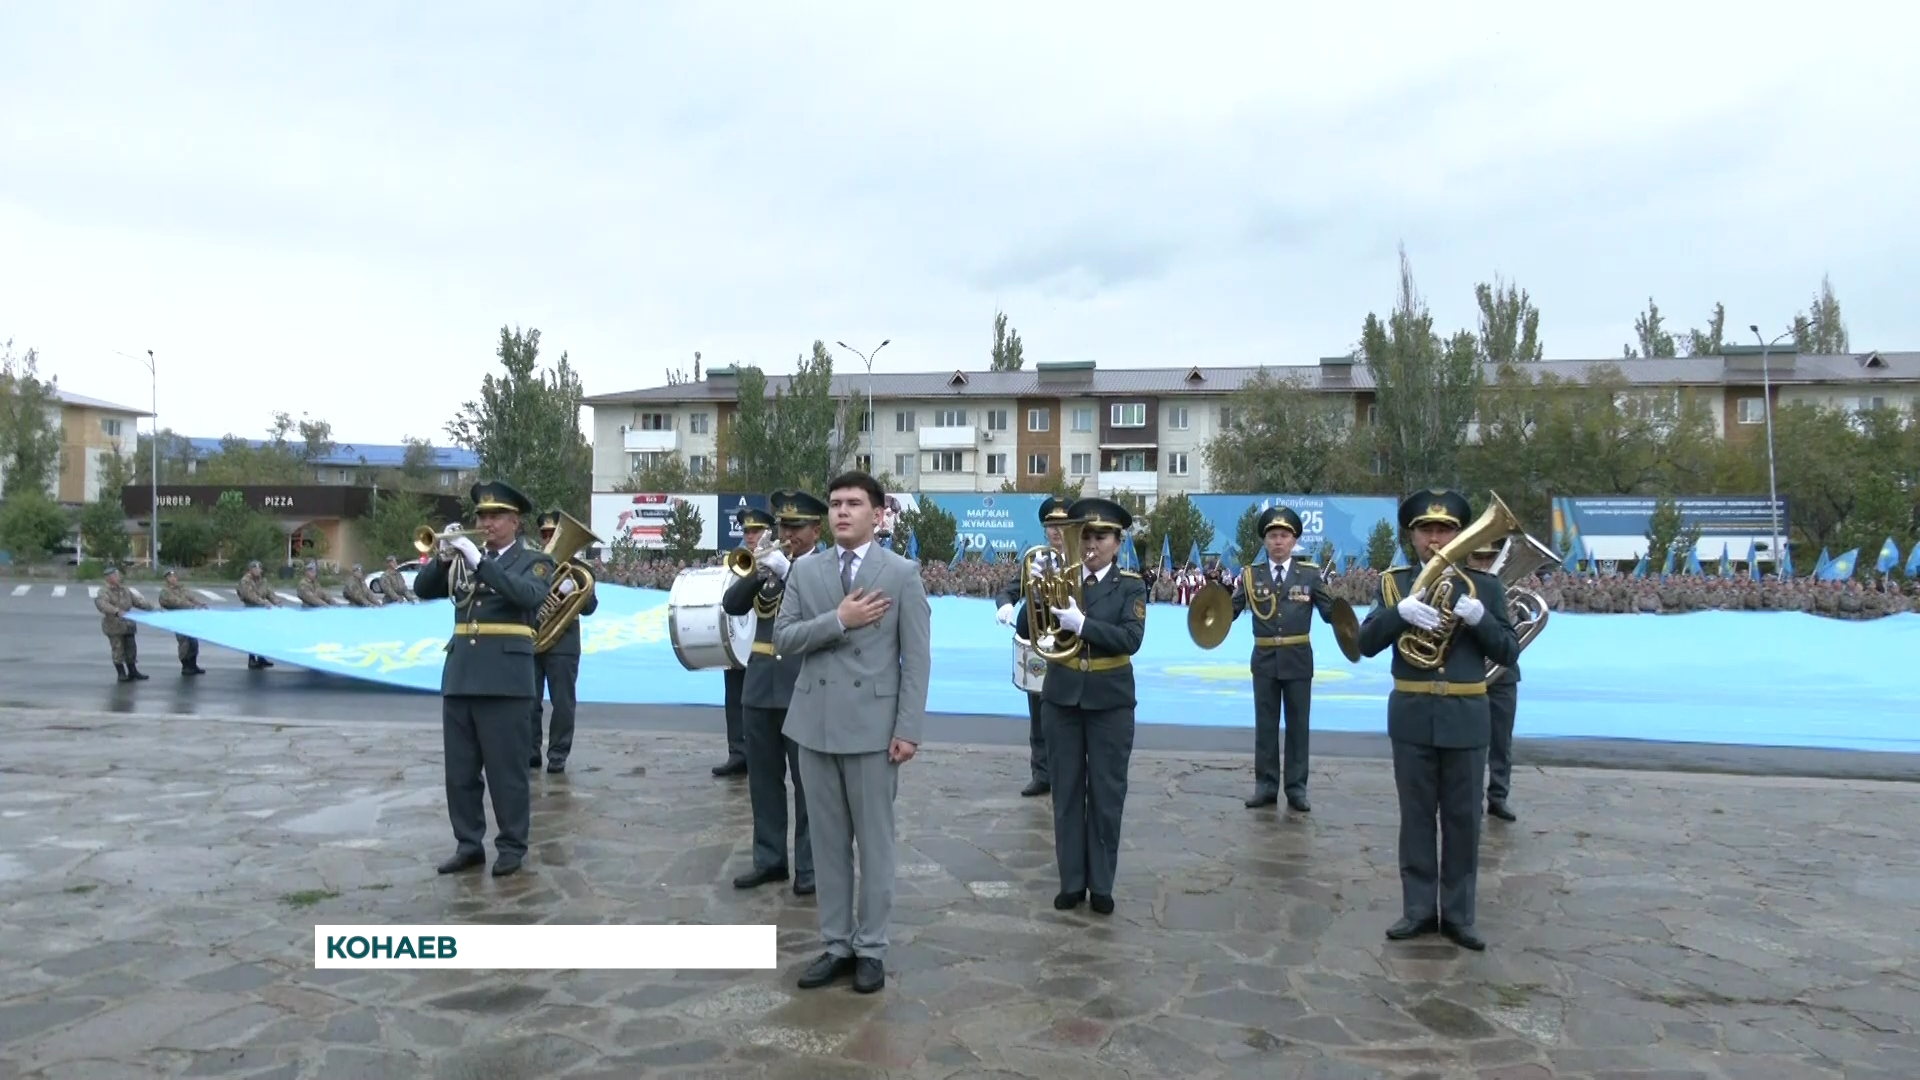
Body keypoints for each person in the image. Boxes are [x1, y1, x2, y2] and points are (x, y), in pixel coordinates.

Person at [774, 471, 930, 995]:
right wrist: (839, 620)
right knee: (827, 844)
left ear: (878, 514)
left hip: (873, 730)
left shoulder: (902, 573)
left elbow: (917, 660)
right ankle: (837, 944)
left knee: (875, 846)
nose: (841, 511)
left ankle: (872, 948)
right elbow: (784, 639)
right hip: (814, 724)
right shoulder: (806, 570)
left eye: (854, 503)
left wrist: (908, 728)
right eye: (836, 503)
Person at [1357, 490, 1520, 951]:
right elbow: (1365, 643)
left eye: (1445, 530)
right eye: (1426, 530)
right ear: (1411, 537)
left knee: (1464, 820)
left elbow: (1508, 651)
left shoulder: (1485, 587)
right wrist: (1398, 614)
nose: (1435, 539)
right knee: (1415, 818)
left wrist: (1481, 619)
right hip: (1413, 716)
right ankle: (1418, 909)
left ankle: (1460, 915)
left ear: (1461, 535)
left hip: (1466, 717)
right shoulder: (1394, 585)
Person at [414, 481, 554, 878]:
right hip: (461, 675)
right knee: (459, 773)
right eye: (482, 516)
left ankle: (511, 845)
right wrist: (443, 559)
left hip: (505, 679)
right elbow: (423, 590)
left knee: (506, 772)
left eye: (495, 516)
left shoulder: (536, 562)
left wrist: (480, 562)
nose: (486, 523)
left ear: (515, 521)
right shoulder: (463, 560)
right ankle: (468, 844)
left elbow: (527, 596)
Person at [1023, 497, 1147, 917]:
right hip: (1062, 698)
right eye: (1086, 536)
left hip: (1110, 701)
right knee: (1067, 793)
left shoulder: (1130, 585)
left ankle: (1102, 884)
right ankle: (1072, 882)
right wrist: (1034, 593)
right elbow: (1030, 629)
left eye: (1101, 537)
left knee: (1107, 795)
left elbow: (1131, 639)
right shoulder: (1061, 578)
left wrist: (1084, 626)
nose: (1092, 544)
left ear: (1118, 542)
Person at [723, 490, 823, 896]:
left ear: (817, 530)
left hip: (802, 684)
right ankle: (769, 860)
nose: (788, 534)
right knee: (763, 782)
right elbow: (732, 605)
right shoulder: (769, 566)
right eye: (784, 526)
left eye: (796, 527)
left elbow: (823, 613)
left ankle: (810, 867)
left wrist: (790, 572)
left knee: (809, 783)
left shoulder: (825, 568)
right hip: (761, 684)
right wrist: (756, 571)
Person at [1230, 506, 1339, 813]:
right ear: (1265, 541)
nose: (1278, 541)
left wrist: (1345, 618)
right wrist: (1210, 609)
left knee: (1298, 727)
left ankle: (1296, 788)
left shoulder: (1310, 574)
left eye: (1284, 536)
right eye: (1273, 536)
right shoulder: (1251, 576)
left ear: (1294, 541)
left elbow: (1331, 612)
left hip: (1298, 659)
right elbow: (1230, 610)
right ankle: (1265, 786)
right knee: (1265, 726)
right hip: (1264, 660)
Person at [993, 495, 1074, 797]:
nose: (1056, 531)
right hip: (1037, 645)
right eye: (1051, 525)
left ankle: (1071, 775)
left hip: (1071, 644)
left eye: (1062, 525)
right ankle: (1042, 774)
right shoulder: (1035, 559)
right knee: (1038, 711)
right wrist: (1005, 605)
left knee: (1071, 712)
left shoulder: (1082, 560)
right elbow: (1010, 590)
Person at [530, 510, 599, 774]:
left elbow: (589, 608)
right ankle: (530, 751)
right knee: (529, 701)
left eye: (554, 534)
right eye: (545, 535)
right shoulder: (532, 565)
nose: (550, 539)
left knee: (563, 703)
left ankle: (558, 754)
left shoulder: (580, 570)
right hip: (533, 640)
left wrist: (573, 590)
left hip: (563, 644)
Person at [714, 506, 773, 778]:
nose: (750, 536)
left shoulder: (779, 559)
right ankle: (737, 752)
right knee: (734, 695)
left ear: (768, 532)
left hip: (766, 638)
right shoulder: (736, 559)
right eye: (747, 531)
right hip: (738, 635)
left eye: (756, 531)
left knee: (764, 703)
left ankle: (765, 755)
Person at [1469, 543, 1521, 822]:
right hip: (1471, 672)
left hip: (1503, 675)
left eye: (1490, 558)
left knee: (1502, 740)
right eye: (1478, 558)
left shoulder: (1503, 589)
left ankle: (1498, 797)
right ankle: (1472, 797)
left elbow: (1511, 639)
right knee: (1471, 743)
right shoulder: (1461, 588)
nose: (1484, 563)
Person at [95, 565, 157, 682]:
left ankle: (133, 671)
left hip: (128, 625)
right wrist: (116, 611)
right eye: (115, 575)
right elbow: (102, 605)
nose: (118, 577)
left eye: (118, 575)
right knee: (118, 649)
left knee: (131, 648)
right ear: (108, 578)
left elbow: (138, 602)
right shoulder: (104, 592)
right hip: (114, 625)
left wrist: (153, 608)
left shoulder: (125, 590)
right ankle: (121, 673)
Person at [158, 568, 209, 675]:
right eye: (170, 577)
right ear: (166, 579)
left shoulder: (182, 588)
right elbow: (174, 603)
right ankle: (185, 666)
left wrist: (200, 604)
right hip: (178, 619)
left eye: (174, 576)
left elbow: (191, 598)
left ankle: (193, 665)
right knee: (184, 643)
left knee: (193, 642)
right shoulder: (165, 592)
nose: (173, 579)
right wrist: (191, 606)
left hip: (189, 618)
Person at [235, 560, 284, 668]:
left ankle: (261, 657)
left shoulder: (263, 581)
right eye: (255, 568)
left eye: (259, 568)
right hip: (250, 610)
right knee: (252, 635)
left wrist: (276, 602)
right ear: (250, 569)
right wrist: (263, 602)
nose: (257, 570)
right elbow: (249, 595)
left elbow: (269, 593)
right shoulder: (245, 581)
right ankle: (252, 659)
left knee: (262, 635)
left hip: (262, 611)